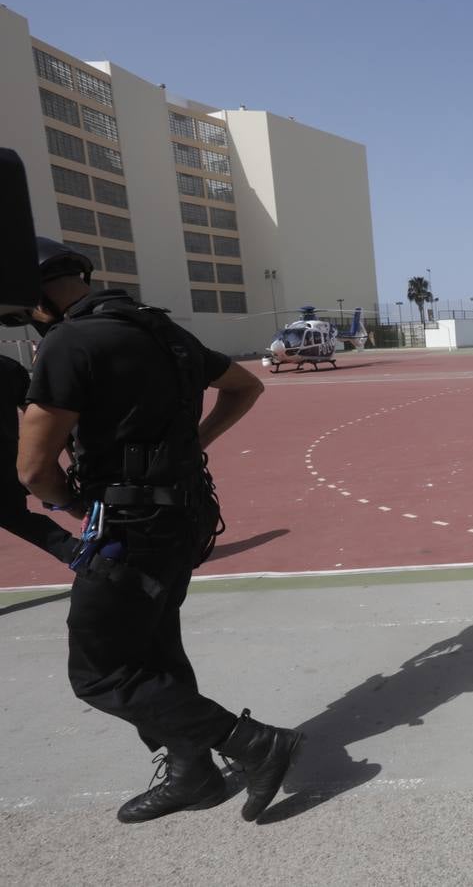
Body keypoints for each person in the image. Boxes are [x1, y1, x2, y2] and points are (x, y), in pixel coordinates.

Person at [16, 238, 301, 824]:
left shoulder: (70, 343)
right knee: (154, 649)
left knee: (101, 672)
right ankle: (192, 773)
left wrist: (70, 503)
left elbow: (34, 470)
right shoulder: (160, 330)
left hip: (126, 527)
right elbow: (245, 385)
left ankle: (252, 743)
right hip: (181, 518)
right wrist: (191, 446)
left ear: (37, 296)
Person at [1, 354, 78, 562]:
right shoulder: (8, 368)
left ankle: (78, 554)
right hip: (5, 462)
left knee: (15, 517)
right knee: (16, 517)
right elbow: (38, 414)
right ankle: (78, 554)